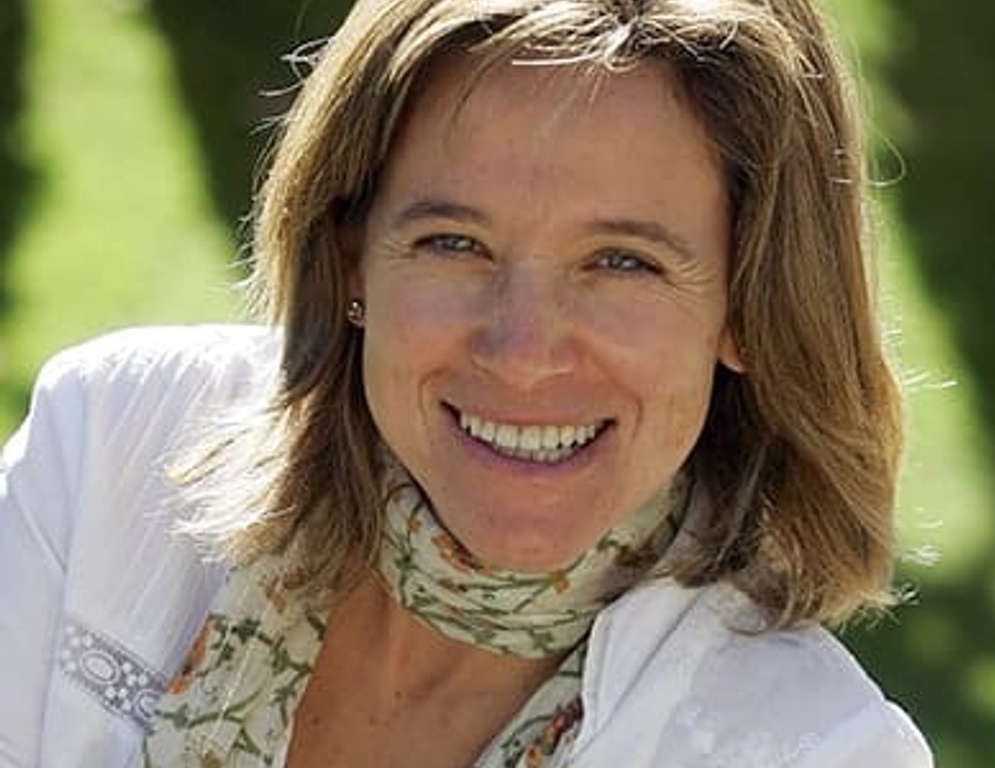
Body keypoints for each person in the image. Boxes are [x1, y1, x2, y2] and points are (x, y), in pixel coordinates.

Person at [0, 0, 934, 765]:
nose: (522, 352)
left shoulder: (815, 750)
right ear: (353, 255)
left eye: (622, 262)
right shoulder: (111, 445)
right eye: (454, 243)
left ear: (745, 308)